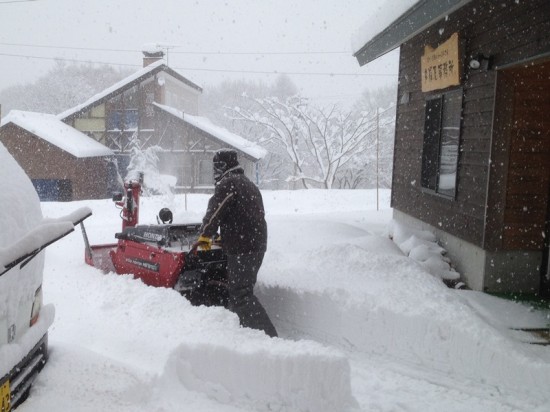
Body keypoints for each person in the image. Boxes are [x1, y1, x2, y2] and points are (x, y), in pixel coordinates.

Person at [193, 148, 278, 338]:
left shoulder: (228, 184)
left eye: (216, 167)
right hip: (254, 245)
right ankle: (247, 333)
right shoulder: (247, 184)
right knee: (240, 291)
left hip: (243, 248)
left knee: (241, 294)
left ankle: (269, 337)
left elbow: (215, 213)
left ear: (223, 167)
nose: (214, 172)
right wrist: (226, 237)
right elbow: (245, 217)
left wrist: (205, 237)